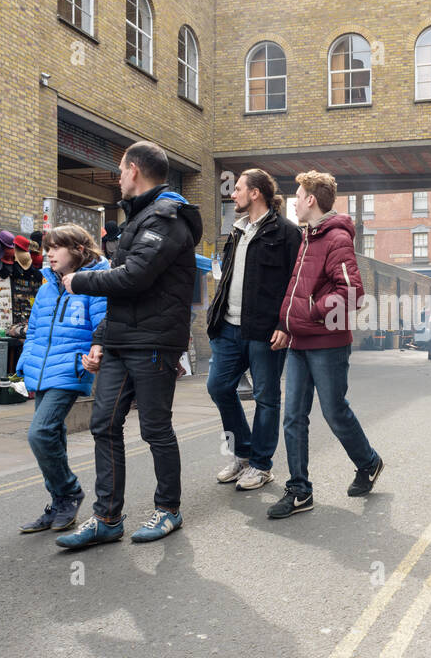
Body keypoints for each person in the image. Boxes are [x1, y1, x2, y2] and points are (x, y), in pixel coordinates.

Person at [53, 140, 202, 549]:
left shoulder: (165, 219)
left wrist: (79, 280)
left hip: (154, 341)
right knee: (104, 424)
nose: (118, 177)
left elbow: (134, 277)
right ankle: (107, 518)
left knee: (155, 429)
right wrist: (101, 338)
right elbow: (123, 289)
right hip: (121, 340)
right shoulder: (139, 219)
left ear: (134, 170)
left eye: (120, 170)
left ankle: (168, 510)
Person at [268, 170, 382, 519]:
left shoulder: (335, 239)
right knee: (293, 417)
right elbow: (298, 288)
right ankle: (299, 490)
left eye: (298, 197)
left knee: (334, 411)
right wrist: (288, 325)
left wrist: (309, 314)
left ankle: (369, 462)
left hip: (328, 342)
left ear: (311, 200)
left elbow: (351, 293)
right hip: (300, 340)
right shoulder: (308, 236)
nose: (295, 203)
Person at [207, 168, 301, 491]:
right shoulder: (235, 232)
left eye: (238, 190)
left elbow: (297, 285)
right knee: (218, 388)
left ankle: (261, 465)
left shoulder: (287, 232)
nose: (233, 194)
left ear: (255, 193)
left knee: (266, 396)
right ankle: (242, 454)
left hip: (264, 331)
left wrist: (284, 325)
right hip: (228, 329)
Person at [14, 225, 109, 533]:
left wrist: (97, 351)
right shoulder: (45, 288)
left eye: (57, 248)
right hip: (41, 370)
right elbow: (35, 332)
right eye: (48, 247)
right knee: (52, 436)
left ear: (78, 251)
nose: (50, 253)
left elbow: (103, 324)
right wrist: (26, 363)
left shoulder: (93, 283)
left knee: (39, 434)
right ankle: (59, 503)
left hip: (69, 370)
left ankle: (69, 492)